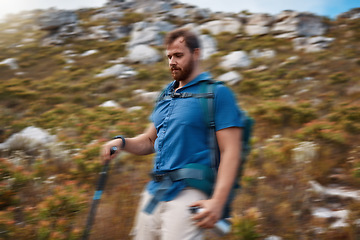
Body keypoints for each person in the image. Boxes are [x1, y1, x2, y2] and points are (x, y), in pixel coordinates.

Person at [101, 28, 245, 240]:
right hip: (154, 192)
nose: (172, 62)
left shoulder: (217, 93)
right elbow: (150, 140)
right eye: (169, 56)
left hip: (189, 194)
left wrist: (218, 202)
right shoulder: (166, 94)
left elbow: (231, 151)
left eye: (178, 55)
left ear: (196, 54)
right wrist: (122, 142)